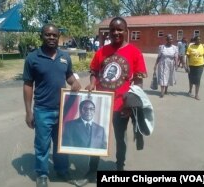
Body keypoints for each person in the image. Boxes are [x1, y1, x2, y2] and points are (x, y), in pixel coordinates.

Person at [76, 16, 147, 187]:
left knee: (120, 139)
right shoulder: (102, 51)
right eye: (113, 29)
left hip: (122, 105)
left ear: (125, 31)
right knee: (95, 136)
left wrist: (131, 104)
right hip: (100, 103)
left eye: (119, 29)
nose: (116, 32)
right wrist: (92, 82)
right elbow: (93, 70)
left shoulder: (134, 52)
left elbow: (138, 81)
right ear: (109, 31)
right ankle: (92, 171)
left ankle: (119, 169)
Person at [22, 23, 81, 187]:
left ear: (58, 37)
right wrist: (28, 112)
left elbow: (68, 75)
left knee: (61, 143)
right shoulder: (32, 58)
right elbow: (28, 85)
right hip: (42, 110)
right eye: (48, 34)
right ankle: (41, 174)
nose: (51, 37)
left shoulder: (64, 57)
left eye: (54, 35)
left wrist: (74, 83)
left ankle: (62, 170)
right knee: (42, 145)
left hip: (63, 109)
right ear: (42, 36)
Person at [186, 35, 204, 100]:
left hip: (200, 66)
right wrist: (187, 66)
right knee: (191, 78)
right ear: (195, 40)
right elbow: (187, 57)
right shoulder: (190, 46)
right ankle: (190, 90)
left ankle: (196, 94)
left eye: (200, 39)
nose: (199, 40)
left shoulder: (203, 46)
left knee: (198, 80)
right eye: (197, 39)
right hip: (191, 66)